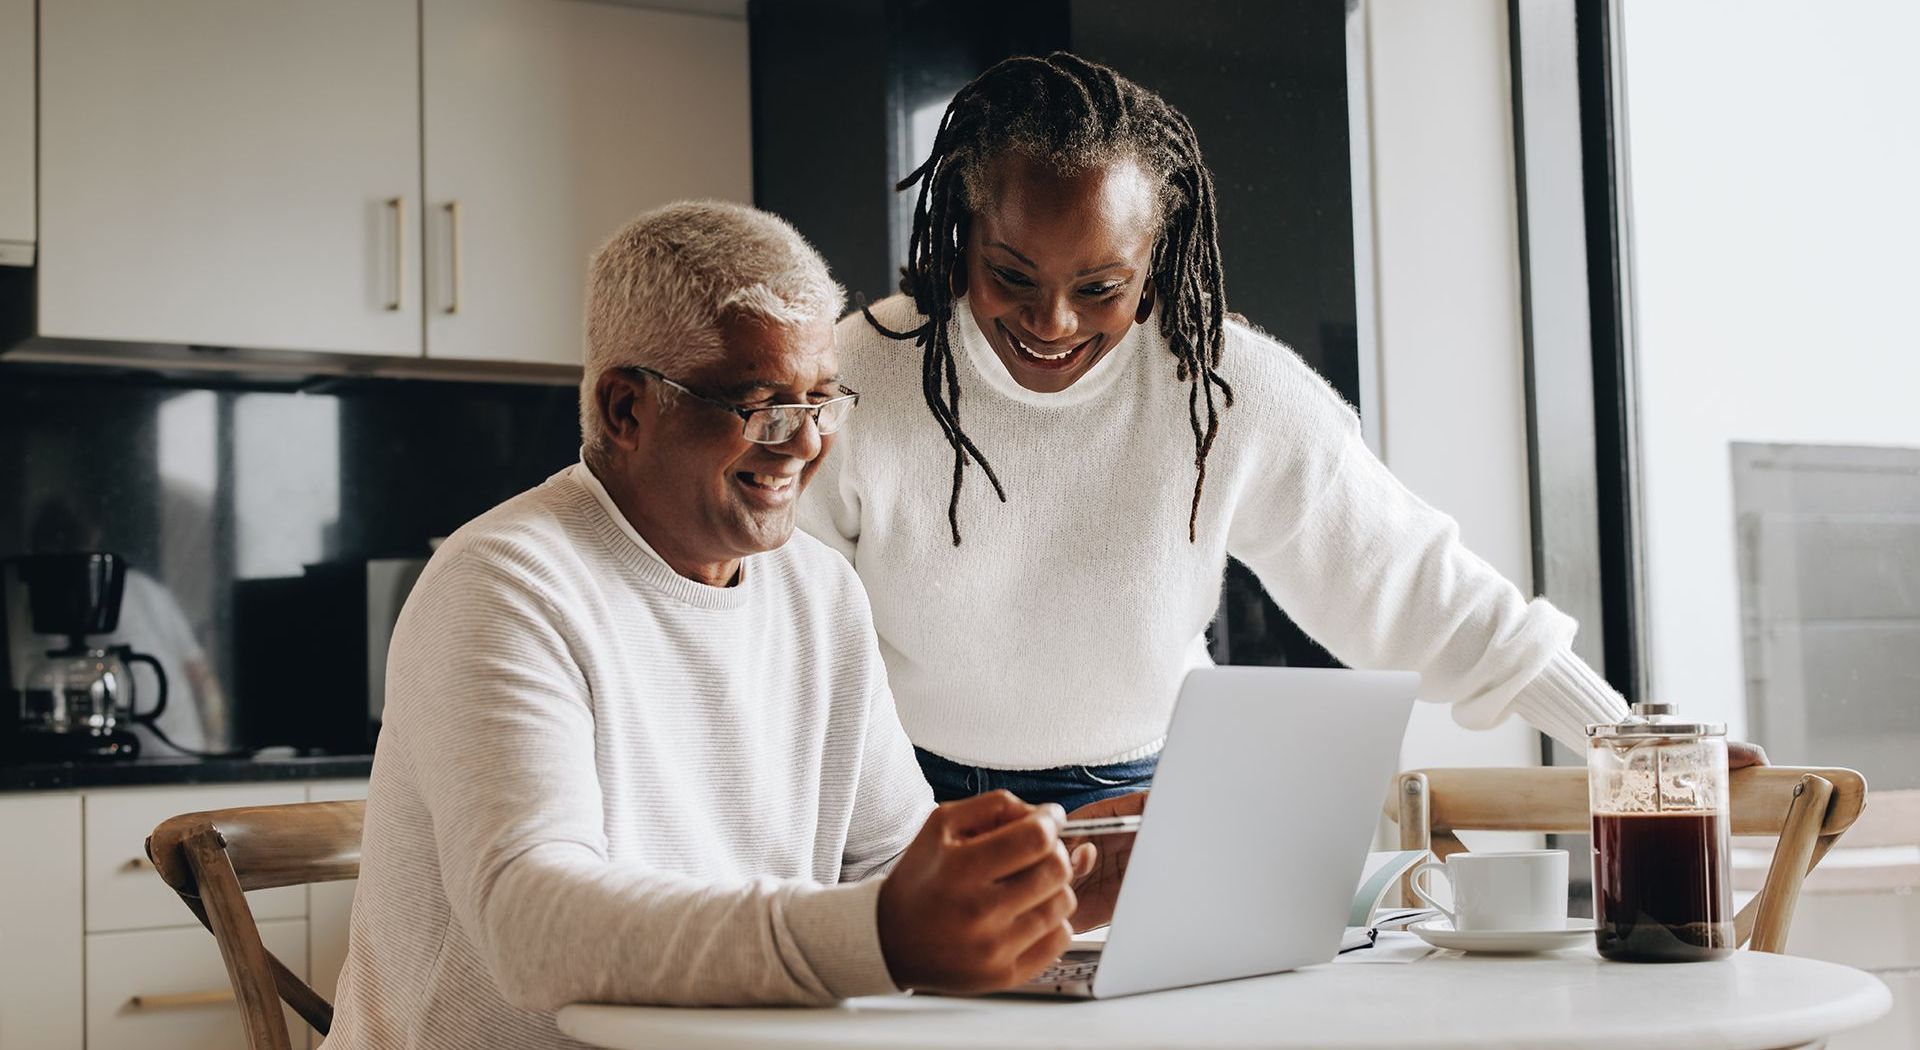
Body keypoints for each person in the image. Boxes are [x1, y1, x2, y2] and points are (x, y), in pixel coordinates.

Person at [797, 52, 1764, 814]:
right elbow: (782, 635)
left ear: (1156, 260)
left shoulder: (1223, 387)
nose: (1052, 323)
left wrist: (1622, 737)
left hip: (1154, 798)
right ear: (960, 230)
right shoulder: (859, 379)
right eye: (1013, 275)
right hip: (909, 800)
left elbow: (1413, 585)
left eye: (1100, 289)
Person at [322, 202, 1105, 1049]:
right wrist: (881, 934)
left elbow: (893, 866)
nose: (803, 444)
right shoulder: (506, 583)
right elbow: (531, 925)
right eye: (764, 405)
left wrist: (1078, 873)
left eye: (821, 402)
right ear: (626, 409)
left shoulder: (820, 593)